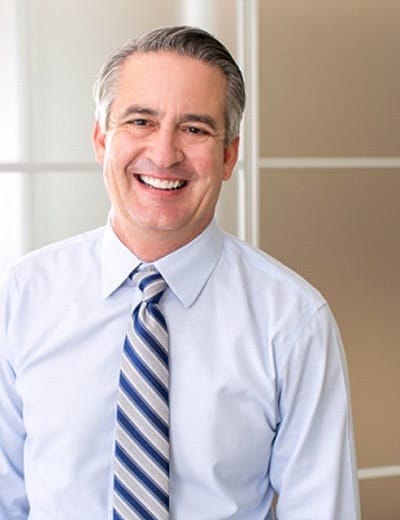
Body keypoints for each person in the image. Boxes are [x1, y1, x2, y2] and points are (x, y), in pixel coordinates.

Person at [0, 26, 361, 519]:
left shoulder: (293, 322)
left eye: (195, 128)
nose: (165, 153)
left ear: (229, 154)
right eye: (141, 121)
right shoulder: (20, 297)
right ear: (102, 139)